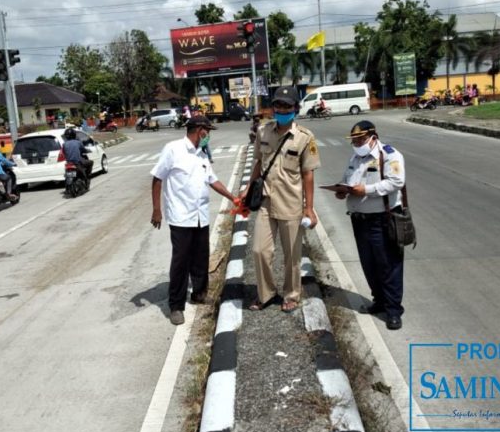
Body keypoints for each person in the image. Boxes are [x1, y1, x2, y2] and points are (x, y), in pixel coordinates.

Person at [150, 115, 236, 325]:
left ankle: (199, 294)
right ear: (200, 131)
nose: (209, 136)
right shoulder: (173, 149)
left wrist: (233, 197)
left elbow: (212, 180)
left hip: (200, 215)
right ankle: (176, 306)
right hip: (180, 216)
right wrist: (156, 210)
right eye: (208, 131)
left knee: (200, 257)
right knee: (180, 262)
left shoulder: (202, 154)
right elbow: (157, 178)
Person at [242, 86, 320, 313]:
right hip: (266, 200)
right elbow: (258, 163)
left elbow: (308, 174)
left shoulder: (305, 137)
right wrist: (247, 190)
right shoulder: (263, 132)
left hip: (291, 203)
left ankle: (292, 295)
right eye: (278, 105)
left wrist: (309, 208)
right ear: (273, 107)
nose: (282, 109)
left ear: (296, 108)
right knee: (259, 250)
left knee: (291, 256)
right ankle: (266, 294)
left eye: (287, 106)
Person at [333, 120, 406, 330]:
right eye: (354, 140)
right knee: (369, 264)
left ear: (373, 137)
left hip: (383, 219)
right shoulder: (355, 157)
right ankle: (380, 300)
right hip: (360, 220)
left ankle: (393, 310)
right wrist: (342, 190)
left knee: (389, 265)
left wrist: (367, 190)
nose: (356, 143)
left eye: (360, 139)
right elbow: (349, 179)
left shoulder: (390, 155)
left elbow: (396, 182)